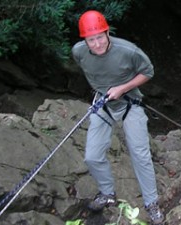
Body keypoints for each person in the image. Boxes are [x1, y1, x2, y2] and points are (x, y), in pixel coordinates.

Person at [71, 10, 164, 225]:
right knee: (92, 156)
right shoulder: (79, 52)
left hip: (130, 103)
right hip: (103, 104)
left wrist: (123, 88)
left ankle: (151, 203)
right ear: (84, 39)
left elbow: (148, 72)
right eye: (91, 39)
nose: (96, 44)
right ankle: (107, 192)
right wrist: (103, 91)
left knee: (140, 154)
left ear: (107, 32)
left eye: (100, 37)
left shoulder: (128, 51)